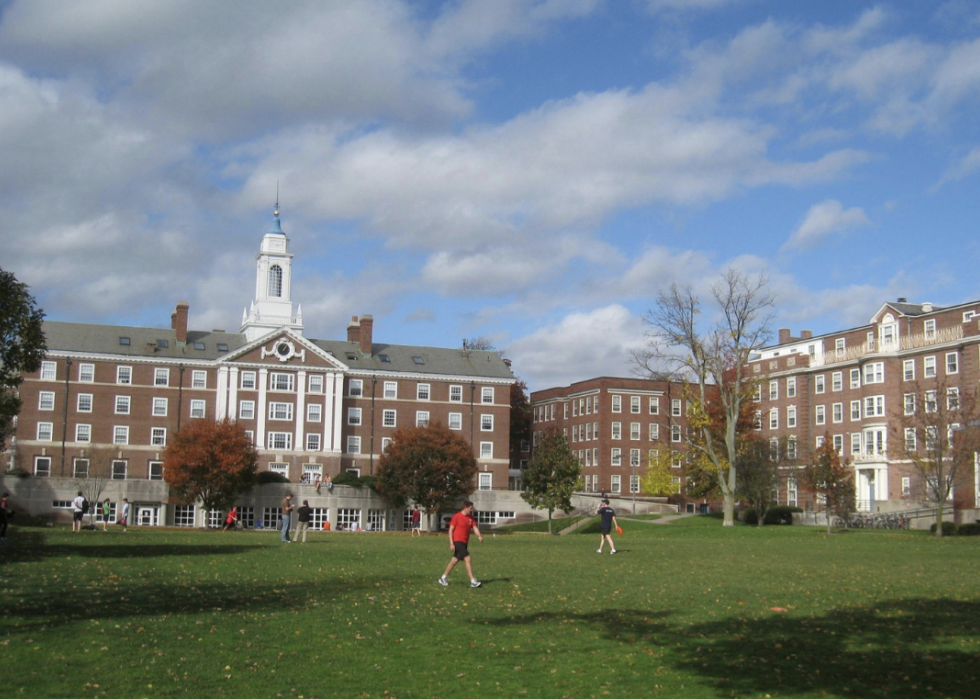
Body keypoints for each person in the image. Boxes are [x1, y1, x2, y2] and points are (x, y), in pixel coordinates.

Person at [438, 501, 484, 588]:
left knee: (454, 560)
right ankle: (473, 581)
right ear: (466, 508)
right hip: (457, 541)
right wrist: (451, 543)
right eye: (470, 508)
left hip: (464, 542)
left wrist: (479, 536)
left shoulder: (471, 518)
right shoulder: (457, 516)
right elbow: (450, 530)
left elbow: (475, 528)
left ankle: (442, 578)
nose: (471, 510)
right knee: (468, 558)